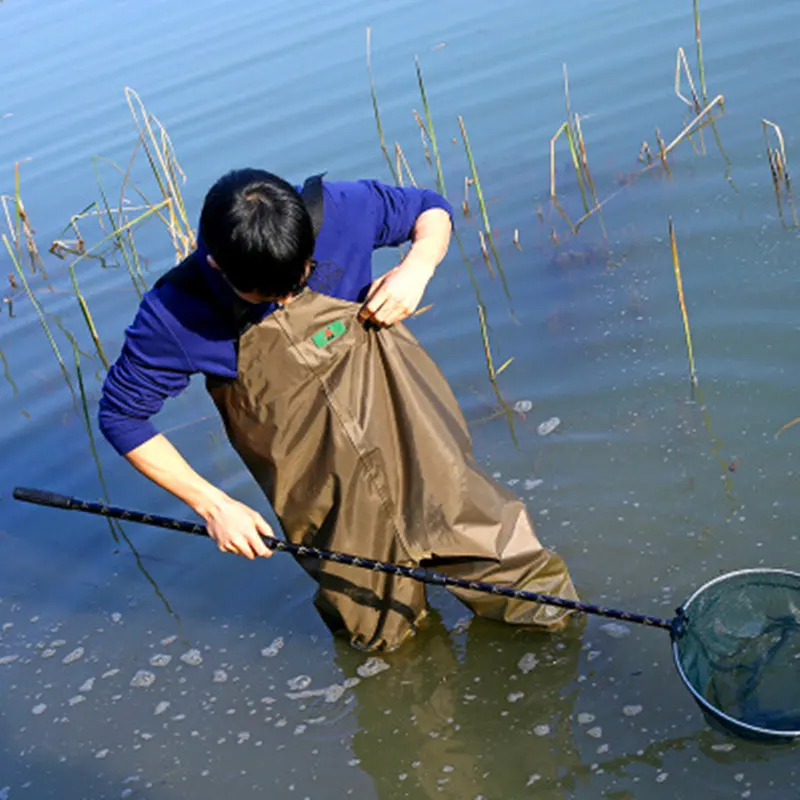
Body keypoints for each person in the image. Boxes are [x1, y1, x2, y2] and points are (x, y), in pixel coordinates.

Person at [99, 169, 578, 652]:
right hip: (328, 503)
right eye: (268, 297)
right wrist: (214, 504)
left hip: (421, 448)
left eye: (299, 280)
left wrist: (418, 267)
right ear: (217, 266)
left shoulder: (340, 209)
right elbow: (122, 415)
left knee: (525, 586)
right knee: (386, 646)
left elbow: (431, 209)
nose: (287, 300)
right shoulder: (173, 313)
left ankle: (575, 658)